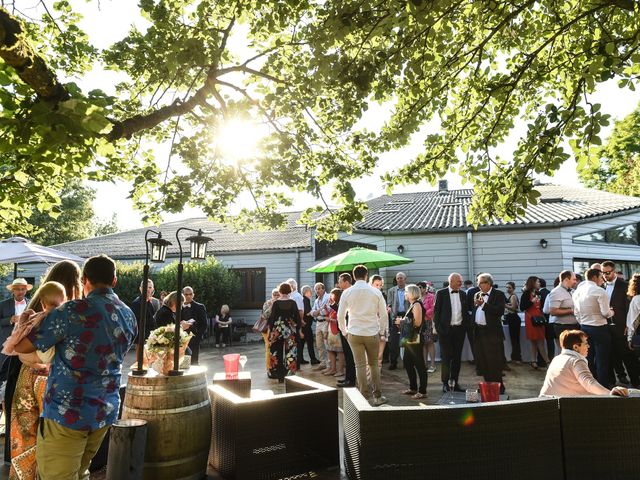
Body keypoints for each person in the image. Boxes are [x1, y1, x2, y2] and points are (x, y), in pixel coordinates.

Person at [15, 254, 137, 480]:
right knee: (81, 471)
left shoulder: (70, 311)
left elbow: (22, 346)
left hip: (67, 412)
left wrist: (28, 321)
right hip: (104, 411)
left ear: (85, 280)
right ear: (114, 281)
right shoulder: (128, 315)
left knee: (58, 475)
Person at [4, 281, 67, 480]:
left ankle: (24, 474)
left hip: (30, 376)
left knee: (24, 429)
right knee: (49, 431)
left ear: (41, 302)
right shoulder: (66, 319)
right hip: (51, 379)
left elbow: (17, 348)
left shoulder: (37, 318)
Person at [338, 265, 388, 406]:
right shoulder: (375, 292)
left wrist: (344, 331)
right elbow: (383, 315)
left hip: (354, 332)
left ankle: (363, 397)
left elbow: (340, 315)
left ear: (353, 277)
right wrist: (382, 331)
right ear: (366, 276)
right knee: (373, 365)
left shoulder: (347, 292)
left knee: (359, 365)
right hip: (372, 332)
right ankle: (377, 396)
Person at [0, 277, 32, 462]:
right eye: (17, 289)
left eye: (22, 289)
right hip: (5, 348)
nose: (20, 292)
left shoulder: (31, 303)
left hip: (22, 350)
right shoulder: (4, 304)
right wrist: (10, 319)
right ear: (12, 290)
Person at [540, 330, 628, 397]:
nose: (588, 346)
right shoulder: (575, 361)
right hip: (557, 408)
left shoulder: (557, 358)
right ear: (575, 347)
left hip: (547, 404)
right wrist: (609, 394)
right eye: (585, 344)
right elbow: (589, 383)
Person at [573, 268, 613, 388]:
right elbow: (605, 313)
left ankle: (590, 385)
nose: (603, 279)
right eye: (601, 277)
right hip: (599, 328)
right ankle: (602, 387)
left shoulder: (577, 292)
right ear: (595, 277)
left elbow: (576, 312)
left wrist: (583, 322)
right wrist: (612, 312)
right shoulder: (599, 291)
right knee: (602, 360)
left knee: (588, 358)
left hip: (584, 327)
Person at [602, 260, 638, 387]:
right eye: (603, 273)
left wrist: (628, 326)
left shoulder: (625, 285)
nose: (606, 275)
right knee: (611, 355)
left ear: (614, 271)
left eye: (608, 272)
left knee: (628, 356)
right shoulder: (601, 287)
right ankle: (616, 380)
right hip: (606, 327)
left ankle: (636, 382)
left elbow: (630, 309)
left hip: (622, 326)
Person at [434, 273, 469, 392]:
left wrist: (465, 327)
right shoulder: (441, 293)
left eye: (461, 281)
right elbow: (436, 313)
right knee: (446, 358)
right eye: (459, 281)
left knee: (457, 358)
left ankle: (455, 382)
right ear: (451, 281)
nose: (461, 283)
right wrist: (439, 329)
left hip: (459, 330)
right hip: (445, 331)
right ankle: (445, 383)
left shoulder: (463, 294)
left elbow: (465, 312)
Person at [472, 273, 507, 393]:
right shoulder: (477, 294)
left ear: (488, 283)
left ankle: (498, 388)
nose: (478, 285)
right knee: (483, 361)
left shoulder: (499, 294)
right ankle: (487, 386)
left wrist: (484, 305)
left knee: (494, 362)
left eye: (480, 283)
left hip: (491, 333)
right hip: (478, 331)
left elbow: (499, 311)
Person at [395, 284, 427, 399]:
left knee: (420, 365)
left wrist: (401, 321)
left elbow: (417, 323)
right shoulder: (413, 304)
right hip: (410, 339)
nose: (405, 294)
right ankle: (413, 388)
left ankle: (422, 391)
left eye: (406, 292)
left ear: (412, 293)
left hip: (415, 339)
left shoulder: (417, 305)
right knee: (408, 363)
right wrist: (402, 321)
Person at [267, 282, 299, 382]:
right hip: (289, 331)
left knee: (276, 353)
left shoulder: (276, 303)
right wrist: (297, 329)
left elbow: (271, 319)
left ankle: (279, 376)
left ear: (280, 291)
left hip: (277, 331)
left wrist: (269, 332)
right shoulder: (293, 302)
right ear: (289, 290)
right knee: (290, 353)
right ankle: (289, 376)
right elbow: (297, 318)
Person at [521, 276, 550, 370]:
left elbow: (541, 306)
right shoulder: (526, 294)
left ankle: (534, 361)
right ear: (532, 283)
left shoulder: (538, 293)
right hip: (531, 319)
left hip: (539, 318)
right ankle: (547, 362)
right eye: (537, 282)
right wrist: (532, 301)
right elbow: (522, 307)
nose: (539, 283)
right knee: (536, 341)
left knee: (539, 340)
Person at [131, 279, 159, 368]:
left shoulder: (155, 302)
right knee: (142, 363)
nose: (148, 289)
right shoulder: (136, 303)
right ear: (140, 289)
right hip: (142, 337)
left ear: (153, 289)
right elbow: (135, 322)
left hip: (153, 335)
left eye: (150, 287)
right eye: (145, 287)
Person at [336, 273, 357, 388]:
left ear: (346, 282)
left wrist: (344, 331)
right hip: (345, 327)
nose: (338, 283)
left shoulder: (350, 292)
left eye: (340, 281)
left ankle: (351, 380)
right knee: (347, 354)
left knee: (350, 355)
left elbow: (345, 314)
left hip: (349, 328)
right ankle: (348, 378)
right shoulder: (344, 293)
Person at [387, 272, 409, 370]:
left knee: (407, 340)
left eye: (401, 278)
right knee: (394, 341)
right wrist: (391, 314)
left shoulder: (409, 289)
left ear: (405, 279)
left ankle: (407, 362)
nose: (399, 280)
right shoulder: (391, 290)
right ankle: (393, 362)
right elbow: (389, 304)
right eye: (398, 278)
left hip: (407, 316)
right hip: (395, 316)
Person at [548, 270, 579, 341]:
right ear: (566, 280)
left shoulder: (573, 291)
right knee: (567, 351)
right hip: (563, 327)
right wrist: (571, 311)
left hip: (575, 326)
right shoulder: (556, 292)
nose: (575, 282)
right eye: (574, 279)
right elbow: (553, 311)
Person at [181, 286, 208, 365]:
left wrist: (198, 337)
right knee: (181, 363)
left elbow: (204, 324)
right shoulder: (177, 307)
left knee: (194, 363)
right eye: (186, 294)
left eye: (190, 294)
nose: (188, 296)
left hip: (193, 339)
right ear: (182, 295)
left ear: (193, 295)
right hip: (180, 339)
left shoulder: (199, 307)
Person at [323, 288, 345, 378]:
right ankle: (333, 368)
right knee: (330, 350)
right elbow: (329, 315)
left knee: (340, 352)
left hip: (337, 331)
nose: (330, 297)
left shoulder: (340, 306)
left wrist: (330, 319)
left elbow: (339, 320)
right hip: (330, 331)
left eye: (332, 295)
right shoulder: (332, 307)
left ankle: (340, 370)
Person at [310, 283, 330, 371]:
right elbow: (312, 312)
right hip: (318, 323)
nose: (317, 291)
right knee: (319, 344)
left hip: (325, 322)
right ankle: (323, 362)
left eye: (319, 288)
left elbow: (326, 311)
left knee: (327, 344)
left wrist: (317, 312)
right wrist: (317, 311)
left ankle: (329, 365)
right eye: (316, 289)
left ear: (323, 289)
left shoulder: (328, 297)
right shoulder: (316, 300)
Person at [418, 281, 437, 373]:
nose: (419, 289)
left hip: (428, 321)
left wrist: (423, 312)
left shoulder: (431, 297)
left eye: (420, 287)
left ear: (425, 288)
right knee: (423, 344)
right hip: (420, 322)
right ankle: (424, 364)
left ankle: (433, 364)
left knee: (429, 342)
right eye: (418, 287)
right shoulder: (417, 298)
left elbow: (433, 309)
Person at [369, 275, 388, 368]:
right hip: (370, 328)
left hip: (381, 327)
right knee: (370, 357)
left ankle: (376, 379)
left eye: (380, 285)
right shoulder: (367, 295)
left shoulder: (382, 295)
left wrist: (383, 332)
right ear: (371, 284)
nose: (379, 287)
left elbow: (384, 315)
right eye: (376, 284)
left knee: (379, 357)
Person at [260, 289, 279, 371]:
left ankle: (276, 365)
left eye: (278, 294)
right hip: (267, 328)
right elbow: (265, 315)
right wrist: (272, 306)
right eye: (274, 294)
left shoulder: (281, 303)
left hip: (277, 329)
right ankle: (269, 367)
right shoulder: (267, 303)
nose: (276, 296)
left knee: (276, 348)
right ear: (272, 295)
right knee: (268, 347)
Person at [300, 285, 319, 366]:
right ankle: (313, 359)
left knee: (302, 343)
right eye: (310, 291)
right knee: (310, 342)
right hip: (306, 325)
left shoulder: (303, 300)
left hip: (303, 325)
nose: (311, 293)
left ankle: (300, 359)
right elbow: (307, 312)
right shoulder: (306, 300)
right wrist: (316, 312)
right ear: (306, 292)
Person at [504, 281, 521, 364]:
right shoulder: (511, 296)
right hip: (512, 318)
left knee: (515, 339)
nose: (508, 289)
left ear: (513, 288)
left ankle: (517, 358)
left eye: (509, 287)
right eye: (507, 287)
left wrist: (504, 305)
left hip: (514, 318)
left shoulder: (513, 296)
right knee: (513, 339)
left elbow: (513, 308)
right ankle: (515, 357)